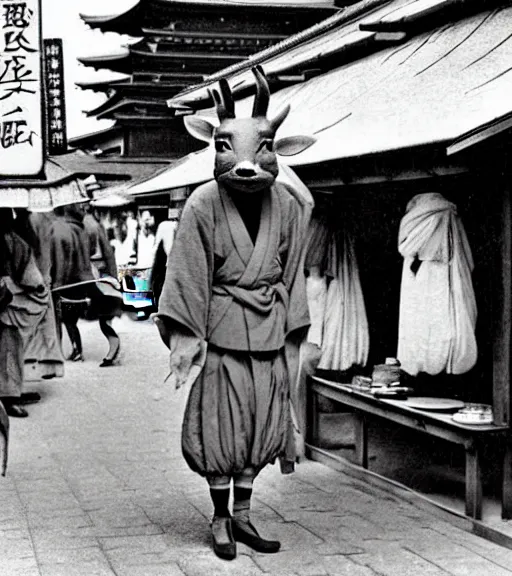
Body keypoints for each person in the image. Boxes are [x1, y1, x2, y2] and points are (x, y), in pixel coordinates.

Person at [154, 68, 314, 560]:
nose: (245, 166)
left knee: (263, 426)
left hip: (268, 329)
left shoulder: (286, 202)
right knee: (221, 429)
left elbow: (293, 272)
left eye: (262, 150)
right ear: (214, 145)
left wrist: (294, 335)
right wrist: (187, 340)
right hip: (221, 335)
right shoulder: (203, 202)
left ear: (276, 150)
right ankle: (221, 517)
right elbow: (187, 275)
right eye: (227, 148)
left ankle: (244, 515)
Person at [50, 203, 122, 367]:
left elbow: (71, 258)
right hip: (95, 276)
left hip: (79, 277)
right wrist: (114, 277)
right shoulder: (91, 224)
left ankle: (76, 350)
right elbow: (106, 252)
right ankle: (112, 347)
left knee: (69, 317)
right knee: (104, 315)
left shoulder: (70, 227)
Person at [0, 209, 49, 417]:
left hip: (8, 296)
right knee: (9, 347)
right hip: (9, 297)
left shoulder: (13, 241)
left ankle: (11, 391)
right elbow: (31, 277)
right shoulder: (13, 240)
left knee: (10, 348)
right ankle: (9, 396)